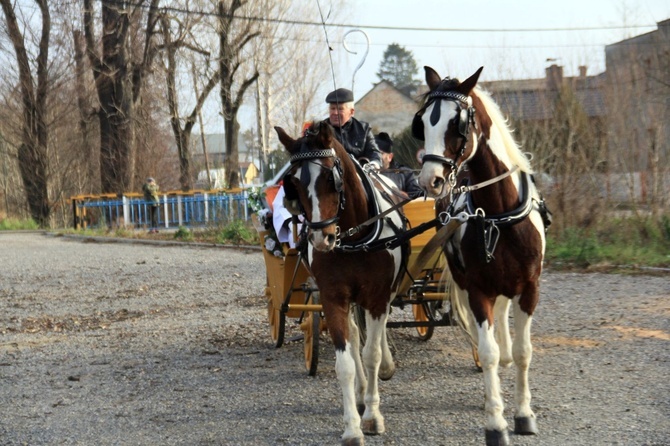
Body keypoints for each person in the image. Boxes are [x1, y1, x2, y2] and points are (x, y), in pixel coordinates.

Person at [325, 88, 382, 170]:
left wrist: (374, 164)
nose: (335, 113)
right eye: (332, 108)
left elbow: (374, 152)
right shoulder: (319, 130)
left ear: (351, 112)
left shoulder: (363, 129)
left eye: (340, 109)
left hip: (359, 175)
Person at [375, 132, 424, 199]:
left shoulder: (405, 173)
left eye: (380, 153)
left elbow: (418, 195)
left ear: (390, 157)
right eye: (374, 153)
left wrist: (401, 196)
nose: (376, 157)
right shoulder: (365, 173)